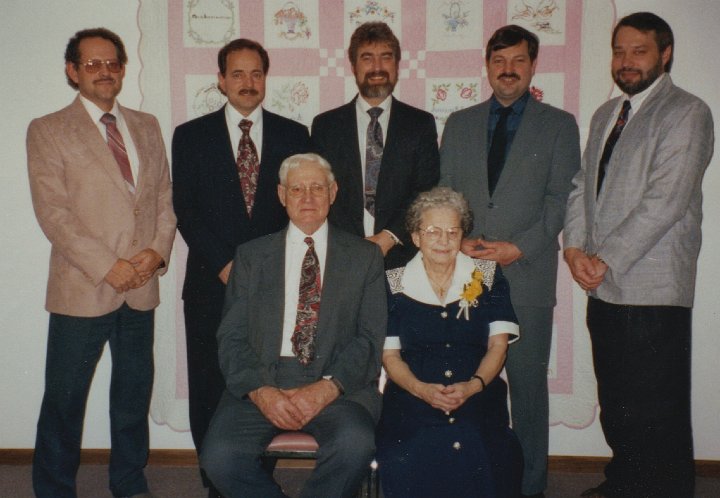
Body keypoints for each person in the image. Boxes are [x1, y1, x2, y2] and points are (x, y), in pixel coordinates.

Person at [563, 12, 714, 498]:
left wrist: (603, 258)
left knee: (656, 407)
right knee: (619, 401)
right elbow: (583, 187)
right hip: (603, 283)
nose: (626, 61)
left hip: (653, 287)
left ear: (665, 54)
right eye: (620, 51)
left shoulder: (687, 112)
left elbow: (665, 201)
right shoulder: (607, 114)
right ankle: (626, 483)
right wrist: (573, 249)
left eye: (639, 51)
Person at [27, 28, 176, 498]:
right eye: (92, 64)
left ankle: (130, 484)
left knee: (132, 399)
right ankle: (53, 490)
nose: (104, 71)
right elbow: (54, 213)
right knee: (65, 402)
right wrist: (109, 266)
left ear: (123, 68)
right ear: (73, 72)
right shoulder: (48, 129)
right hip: (83, 288)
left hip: (141, 288)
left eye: (112, 63)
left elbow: (164, 201)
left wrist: (156, 251)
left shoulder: (147, 125)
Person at [439, 24, 580, 498]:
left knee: (527, 391)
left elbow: (561, 199)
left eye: (518, 60)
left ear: (533, 65)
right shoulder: (459, 122)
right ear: (487, 65)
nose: (508, 70)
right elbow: (446, 196)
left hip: (527, 274)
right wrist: (459, 242)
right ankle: (470, 479)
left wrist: (520, 246)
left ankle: (530, 487)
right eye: (499, 61)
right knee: (465, 381)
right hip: (467, 275)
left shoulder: (559, 125)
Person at [200, 153, 387, 498]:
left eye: (317, 188)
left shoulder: (365, 257)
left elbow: (370, 339)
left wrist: (327, 388)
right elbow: (231, 337)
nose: (307, 197)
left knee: (354, 445)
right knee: (219, 458)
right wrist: (261, 390)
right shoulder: (251, 256)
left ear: (333, 193)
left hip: (338, 384)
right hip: (263, 378)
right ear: (281, 195)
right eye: (297, 189)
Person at [171, 38, 311, 497]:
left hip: (273, 287)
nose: (247, 83)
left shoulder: (294, 135)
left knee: (262, 383)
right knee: (210, 384)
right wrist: (225, 265)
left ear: (265, 79)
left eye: (256, 74)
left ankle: (255, 480)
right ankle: (215, 482)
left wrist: (256, 270)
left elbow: (297, 211)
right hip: (212, 283)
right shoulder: (190, 135)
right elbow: (185, 209)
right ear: (220, 80)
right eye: (237, 74)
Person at [376, 187, 522, 498]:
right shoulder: (393, 280)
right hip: (412, 394)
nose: (443, 240)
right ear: (416, 237)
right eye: (433, 231)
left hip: (477, 392)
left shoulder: (486, 274)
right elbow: (390, 357)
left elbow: (498, 346)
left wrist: (473, 386)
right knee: (410, 450)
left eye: (452, 232)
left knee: (482, 445)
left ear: (461, 236)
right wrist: (421, 390)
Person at [311, 21, 440, 269]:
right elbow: (321, 190)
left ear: (397, 65)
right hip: (341, 256)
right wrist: (353, 245)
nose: (377, 67)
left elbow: (425, 191)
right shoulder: (326, 126)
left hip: (404, 258)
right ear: (353, 66)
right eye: (367, 58)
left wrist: (389, 237)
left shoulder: (420, 124)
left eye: (386, 57)